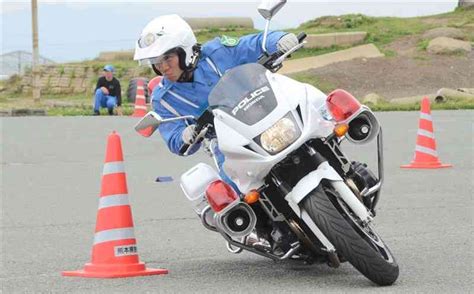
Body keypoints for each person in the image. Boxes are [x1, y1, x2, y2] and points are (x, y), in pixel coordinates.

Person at [133, 14, 298, 191]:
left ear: (185, 52)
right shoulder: (163, 99)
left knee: (320, 128)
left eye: (167, 58)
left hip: (266, 116)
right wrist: (185, 135)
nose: (163, 67)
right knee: (237, 196)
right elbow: (174, 138)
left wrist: (279, 39)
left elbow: (254, 44)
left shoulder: (218, 51)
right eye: (156, 62)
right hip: (228, 146)